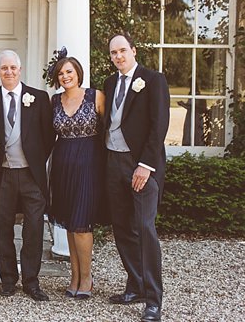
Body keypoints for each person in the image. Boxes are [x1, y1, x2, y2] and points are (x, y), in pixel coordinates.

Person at [103, 33, 169, 322]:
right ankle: (136, 284)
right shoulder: (109, 83)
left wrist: (145, 165)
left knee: (144, 228)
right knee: (122, 227)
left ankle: (153, 300)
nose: (118, 56)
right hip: (113, 162)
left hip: (140, 164)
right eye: (113, 53)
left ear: (133, 50)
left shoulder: (153, 80)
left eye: (122, 51)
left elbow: (159, 126)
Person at [0, 50, 55, 301]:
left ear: (20, 70)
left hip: (31, 177)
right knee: (3, 229)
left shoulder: (39, 97)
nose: (9, 72)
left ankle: (32, 282)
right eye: (4, 68)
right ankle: (8, 280)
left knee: (34, 229)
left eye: (13, 67)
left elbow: (48, 137)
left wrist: (34, 162)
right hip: (2, 176)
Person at [47, 53, 105, 300]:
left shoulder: (95, 96)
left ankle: (87, 277)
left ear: (78, 73)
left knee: (82, 224)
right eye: (61, 73)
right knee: (70, 225)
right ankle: (74, 276)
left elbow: (109, 129)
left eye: (69, 72)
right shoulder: (55, 101)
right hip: (62, 163)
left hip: (89, 163)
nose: (65, 76)